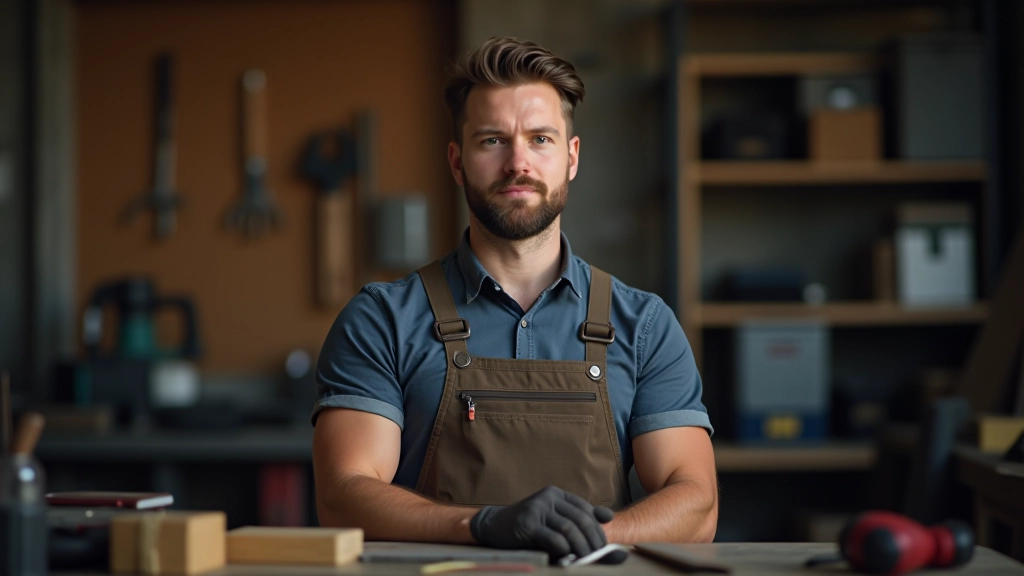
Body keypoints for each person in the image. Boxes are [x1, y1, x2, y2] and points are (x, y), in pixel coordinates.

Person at [311, 36, 717, 562]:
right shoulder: (382, 319)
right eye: (492, 141)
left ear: (571, 158)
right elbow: (343, 497)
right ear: (457, 163)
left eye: (541, 139)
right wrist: (483, 525)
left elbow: (698, 505)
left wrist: (586, 541)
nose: (517, 163)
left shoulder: (643, 325)